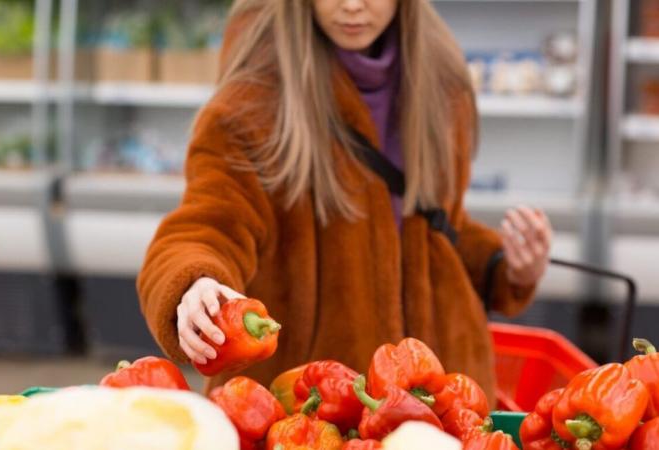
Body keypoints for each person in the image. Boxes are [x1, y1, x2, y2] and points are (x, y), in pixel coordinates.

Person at [137, 0, 553, 403]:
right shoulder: (252, 108)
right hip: (312, 411)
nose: (352, 5)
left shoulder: (443, 88)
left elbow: (432, 230)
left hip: (442, 401)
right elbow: (208, 226)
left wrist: (507, 267)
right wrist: (195, 283)